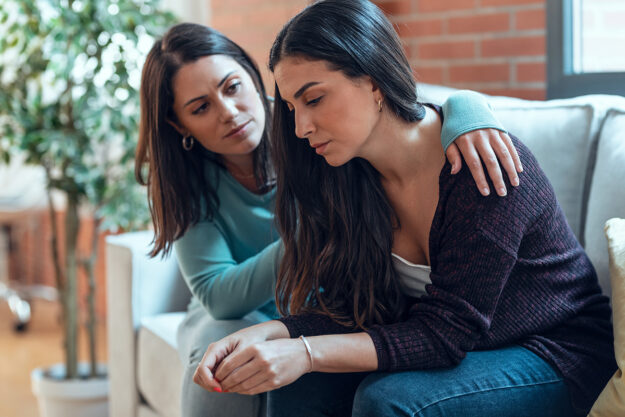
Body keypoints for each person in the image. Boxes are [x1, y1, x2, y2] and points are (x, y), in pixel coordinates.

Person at [191, 2, 617, 417]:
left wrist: (304, 350)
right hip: (472, 346)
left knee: (388, 398)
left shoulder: (479, 167)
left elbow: (446, 333)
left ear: (373, 80)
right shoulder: (349, 177)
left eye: (314, 99)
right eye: (291, 108)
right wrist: (271, 333)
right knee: (300, 381)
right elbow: (354, 314)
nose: (301, 127)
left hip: (555, 351)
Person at [136, 21, 522, 417]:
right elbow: (220, 297)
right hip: (250, 310)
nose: (229, 113)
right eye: (201, 108)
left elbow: (399, 110)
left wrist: (470, 109)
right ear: (178, 125)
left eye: (232, 87)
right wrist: (317, 232)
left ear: (253, 78)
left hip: (325, 301)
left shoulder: (316, 134)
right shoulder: (192, 179)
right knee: (221, 345)